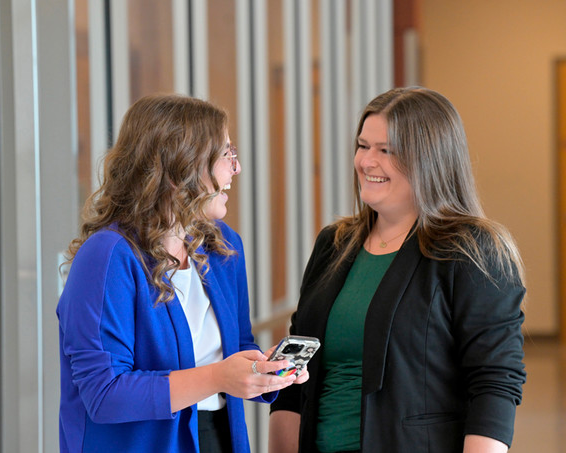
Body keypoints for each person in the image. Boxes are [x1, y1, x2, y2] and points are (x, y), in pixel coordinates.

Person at [269, 87, 526, 453]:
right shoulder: (334, 244)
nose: (366, 162)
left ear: (430, 158)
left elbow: (495, 382)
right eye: (363, 146)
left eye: (386, 151)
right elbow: (295, 372)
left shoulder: (472, 249)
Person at [57, 93, 307, 453]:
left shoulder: (223, 246)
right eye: (226, 155)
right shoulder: (107, 256)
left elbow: (237, 348)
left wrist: (264, 372)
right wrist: (219, 377)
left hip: (219, 438)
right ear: (180, 169)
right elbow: (105, 394)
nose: (236, 168)